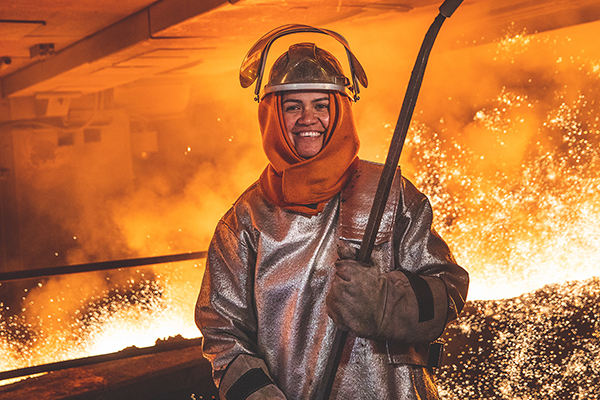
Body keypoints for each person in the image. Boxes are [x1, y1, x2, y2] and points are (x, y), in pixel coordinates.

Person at [195, 26, 469, 400]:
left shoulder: (390, 194)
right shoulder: (246, 221)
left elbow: (450, 288)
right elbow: (222, 331)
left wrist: (388, 303)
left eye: (320, 105)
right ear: (272, 115)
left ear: (340, 111)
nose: (308, 118)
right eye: (293, 106)